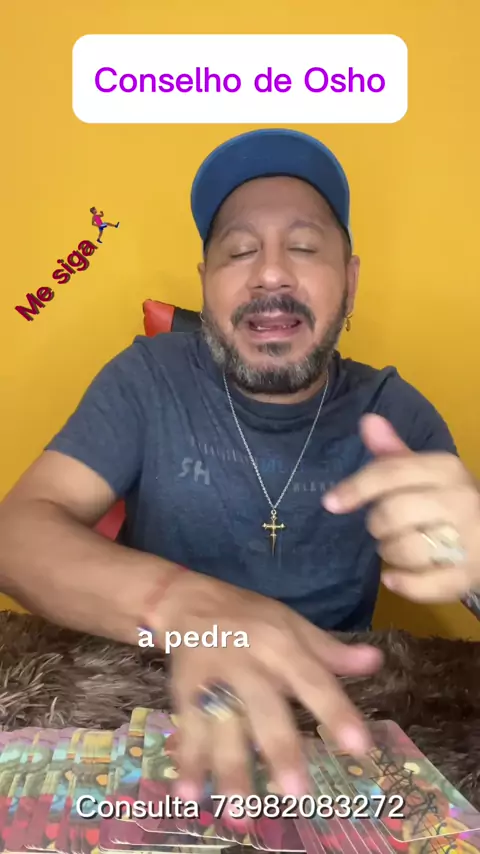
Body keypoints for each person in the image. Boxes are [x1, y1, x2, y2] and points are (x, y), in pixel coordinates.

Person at [1, 130, 479, 803]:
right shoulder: (149, 378)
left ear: (350, 282)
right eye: (239, 251)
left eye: (304, 248)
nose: (271, 274)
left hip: (328, 724)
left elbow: (462, 556)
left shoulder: (394, 412)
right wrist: (188, 609)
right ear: (206, 284)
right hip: (149, 698)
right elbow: (16, 534)